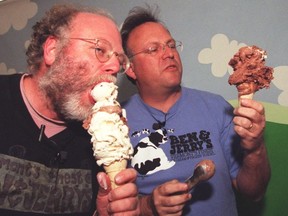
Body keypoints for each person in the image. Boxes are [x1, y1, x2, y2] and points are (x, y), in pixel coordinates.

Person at [120, 5, 271, 216]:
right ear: (130, 68)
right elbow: (107, 204)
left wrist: (255, 149)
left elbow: (254, 192)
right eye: (154, 49)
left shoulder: (217, 108)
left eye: (171, 45)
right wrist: (148, 207)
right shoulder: (115, 121)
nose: (169, 54)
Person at [0, 4, 139, 216]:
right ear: (52, 50)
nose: (114, 67)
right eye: (100, 49)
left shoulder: (106, 136)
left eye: (119, 60)